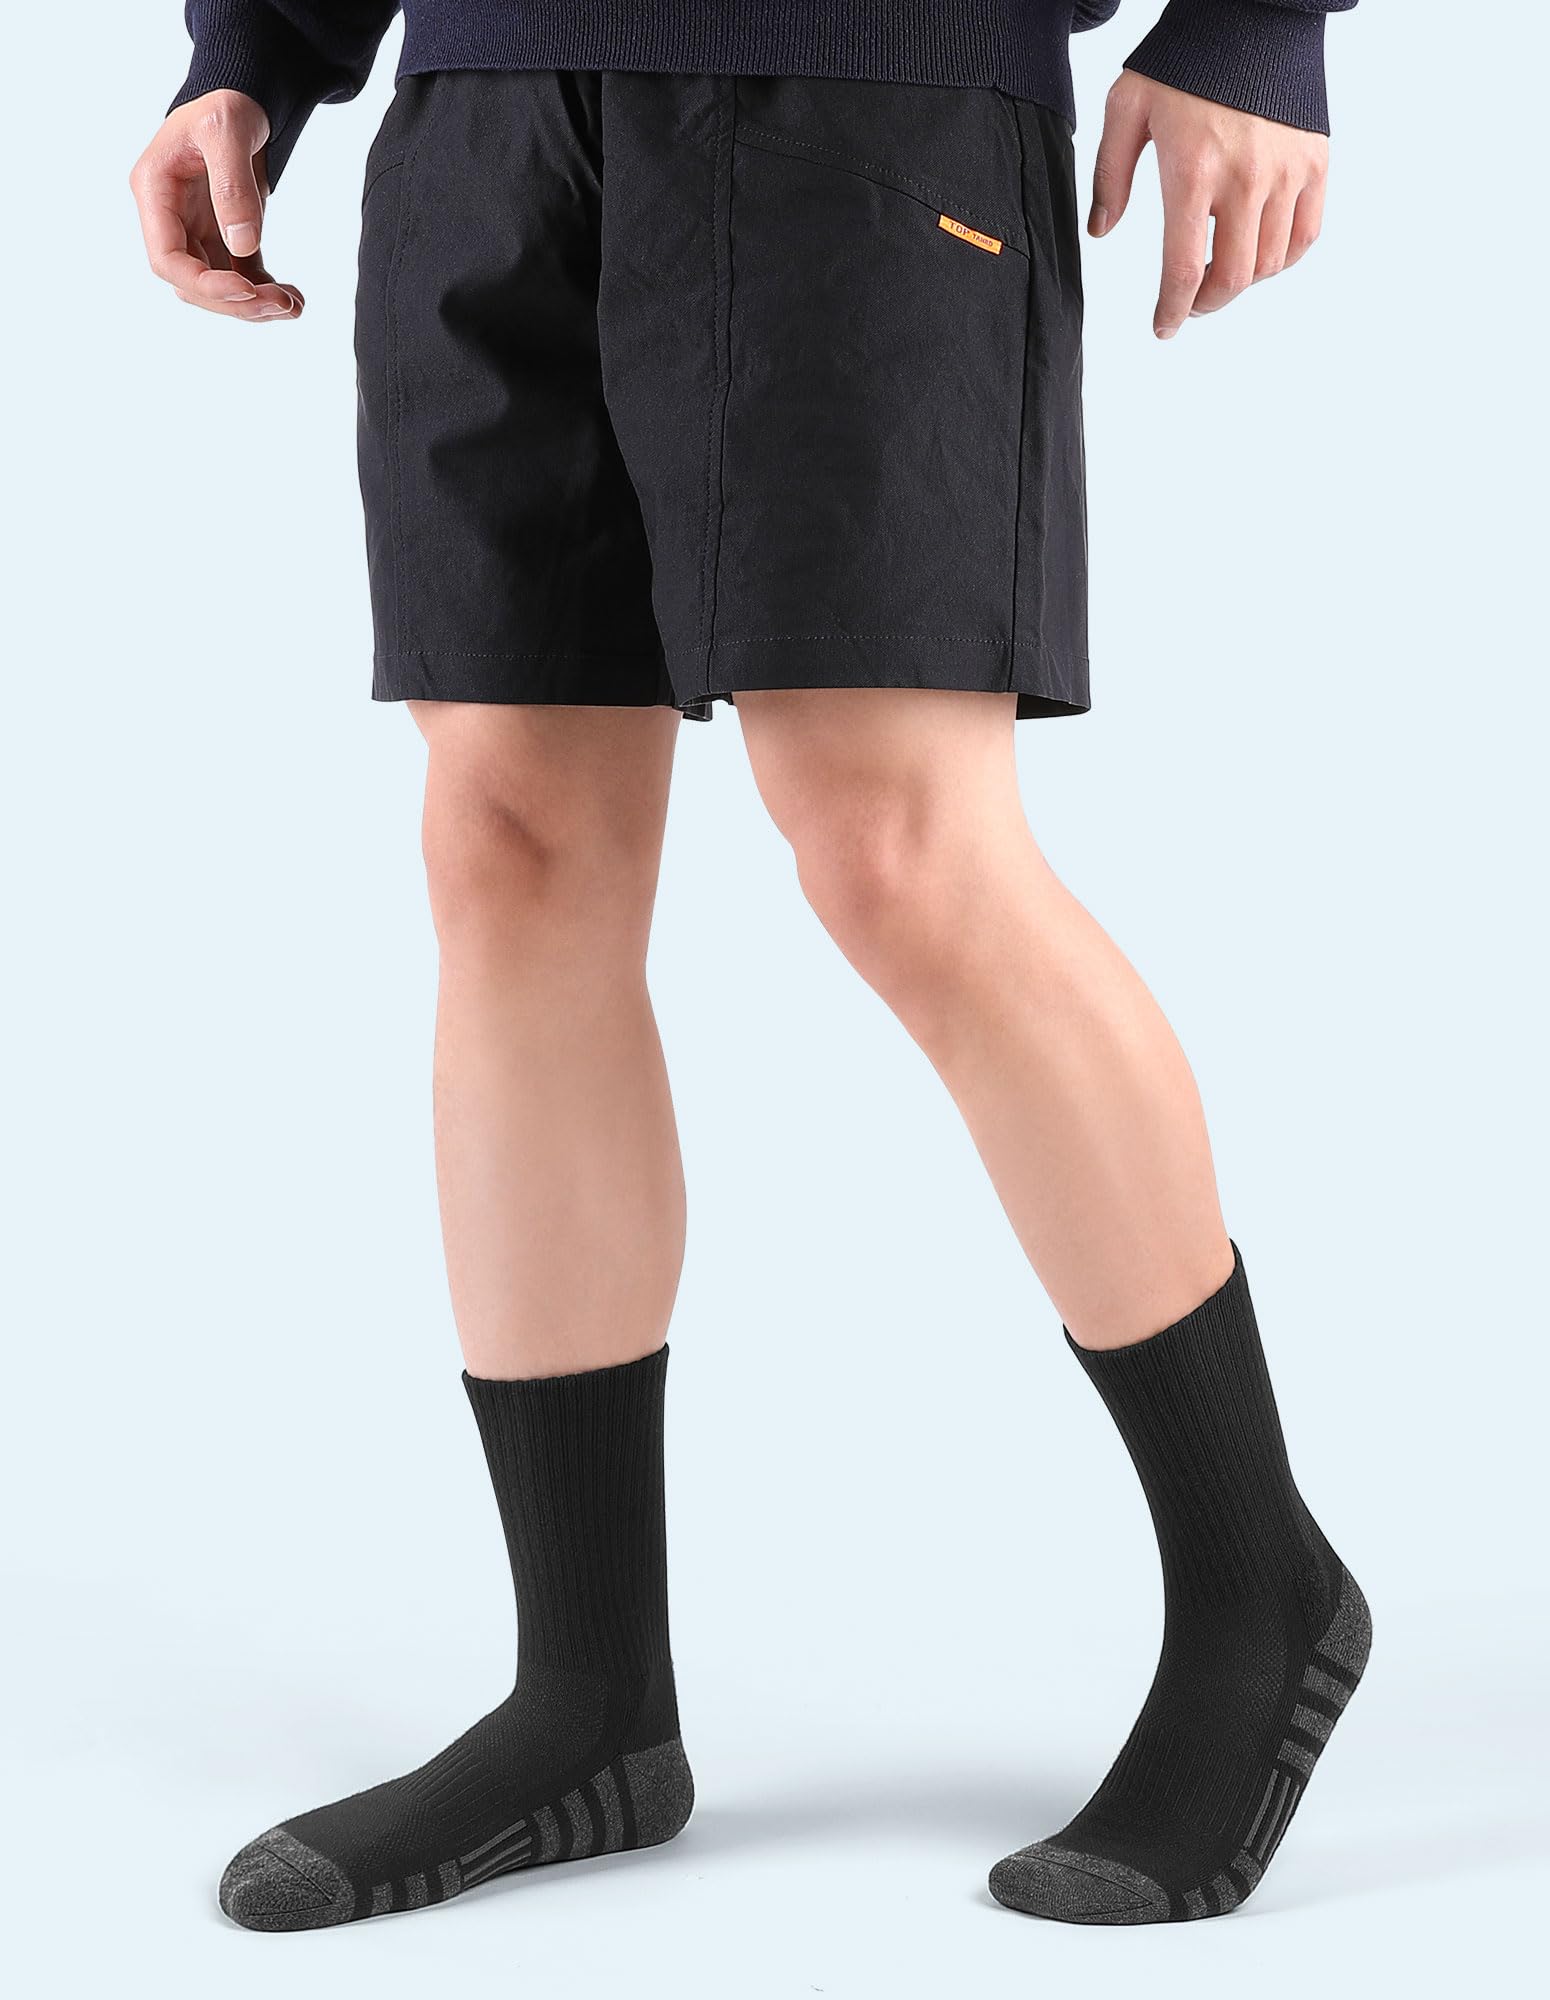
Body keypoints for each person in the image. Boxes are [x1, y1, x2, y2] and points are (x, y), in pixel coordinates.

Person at [132, 0, 1370, 1933]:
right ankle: (586, 1702)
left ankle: (1255, 1589)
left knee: (899, 852)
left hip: (863, 81)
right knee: (507, 842)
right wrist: (255, 47)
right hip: (490, 96)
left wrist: (1258, 24)